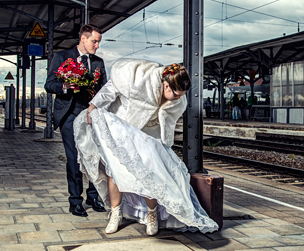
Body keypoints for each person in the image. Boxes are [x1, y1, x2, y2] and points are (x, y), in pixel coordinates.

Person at [74, 59, 218, 236]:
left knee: (151, 173)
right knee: (115, 171)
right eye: (176, 94)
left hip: (150, 134)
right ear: (166, 85)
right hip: (124, 128)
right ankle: (115, 213)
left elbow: (169, 118)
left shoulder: (176, 96)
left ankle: (152, 215)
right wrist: (92, 107)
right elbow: (112, 88)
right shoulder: (140, 78)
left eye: (181, 95)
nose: (178, 99)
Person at [44, 24, 107, 217]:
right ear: (83, 39)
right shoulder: (62, 57)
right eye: (94, 41)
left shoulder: (98, 62)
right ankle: (75, 201)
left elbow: (104, 90)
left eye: (98, 42)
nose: (97, 46)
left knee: (95, 157)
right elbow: (49, 85)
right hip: (69, 114)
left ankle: (93, 196)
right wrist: (65, 86)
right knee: (74, 158)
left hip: (91, 115)